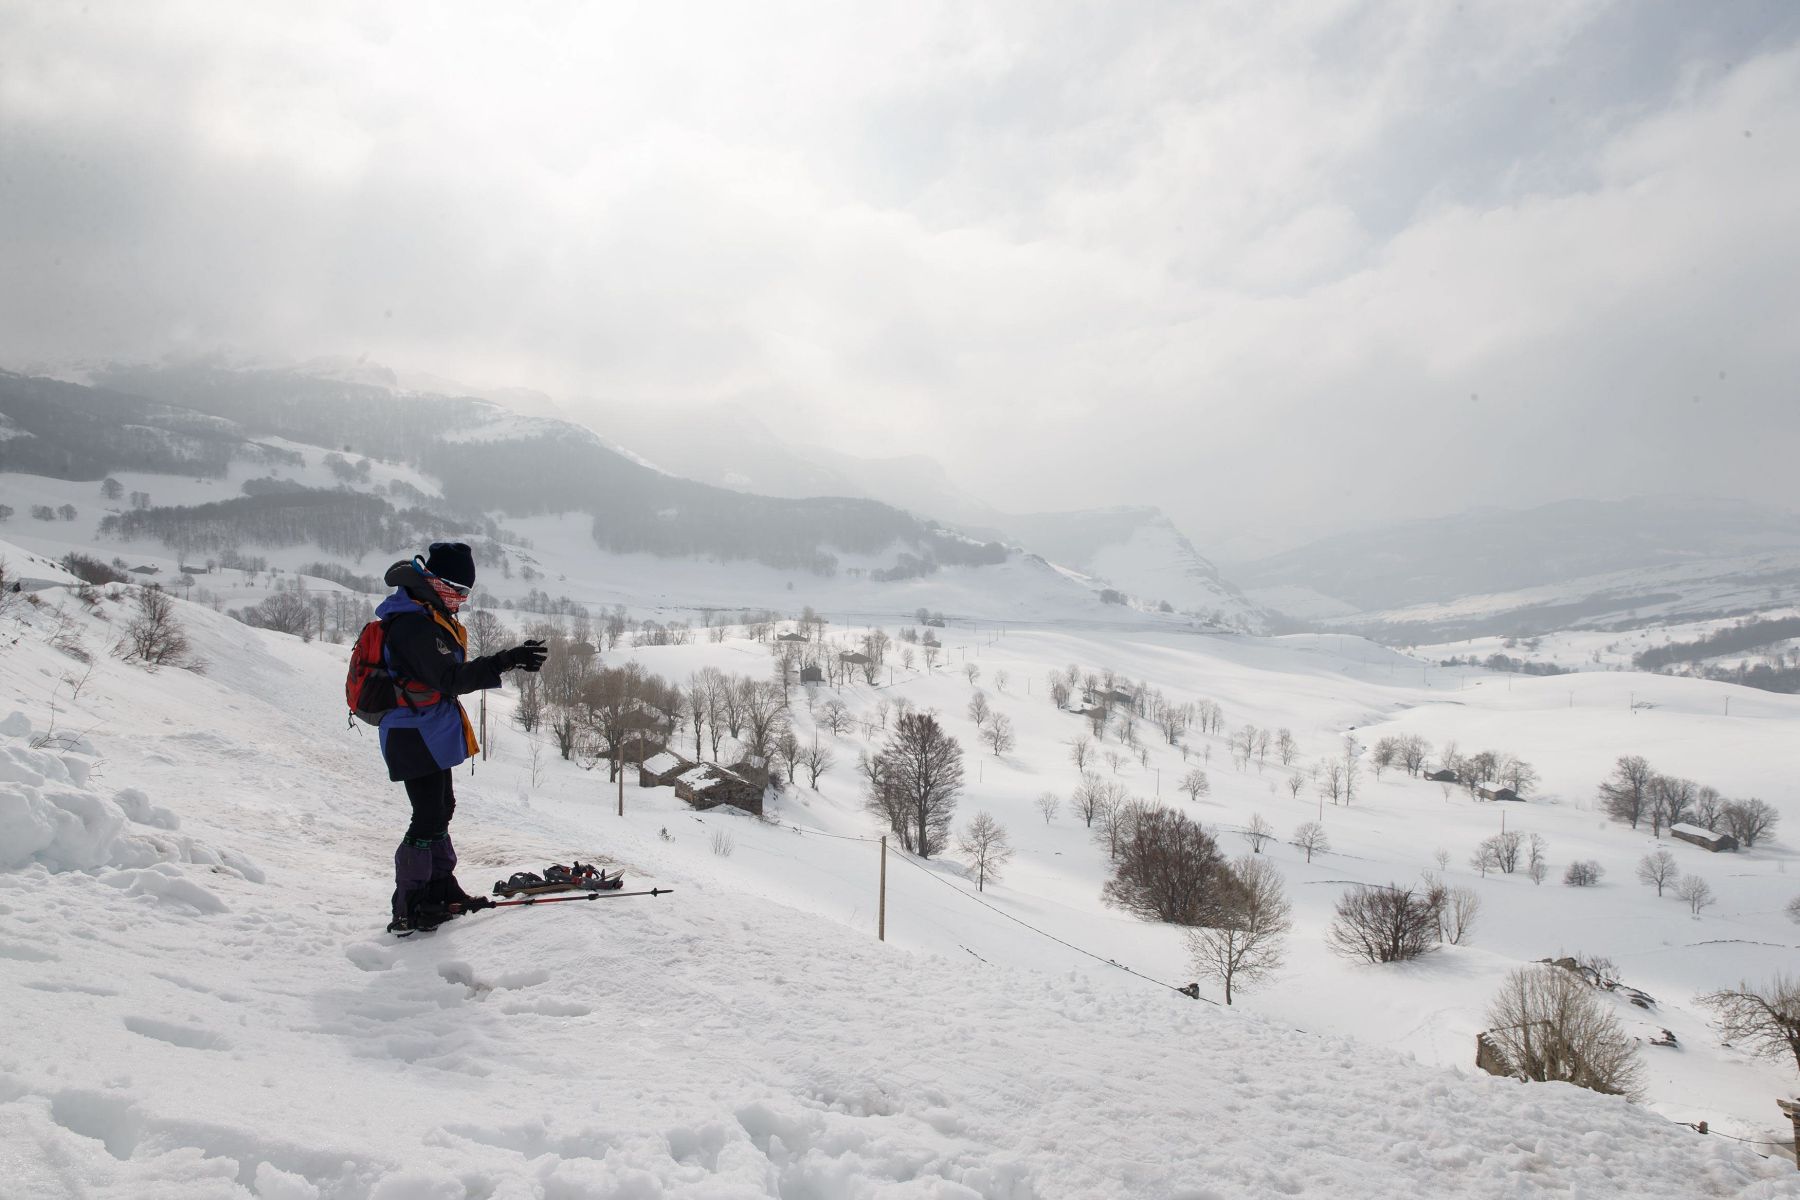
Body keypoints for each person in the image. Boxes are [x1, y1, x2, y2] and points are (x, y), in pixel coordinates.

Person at [375, 541, 546, 932]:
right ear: (437, 582)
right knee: (428, 814)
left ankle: (440, 889)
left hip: (427, 728)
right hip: (410, 731)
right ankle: (410, 904)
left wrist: (507, 659)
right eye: (459, 590)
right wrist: (507, 660)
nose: (463, 599)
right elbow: (449, 679)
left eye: (467, 592)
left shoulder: (430, 614)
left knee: (442, 807)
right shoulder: (413, 624)